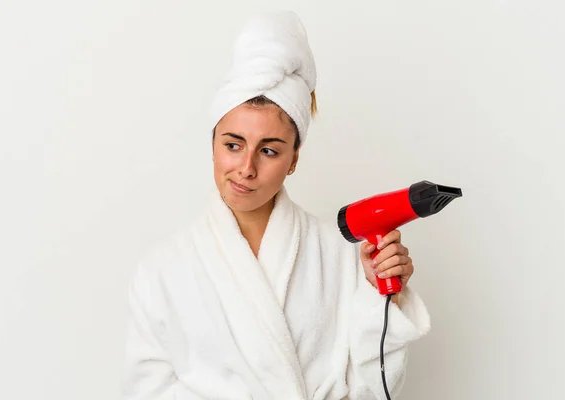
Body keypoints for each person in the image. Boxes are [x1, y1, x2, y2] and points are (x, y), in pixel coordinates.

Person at [122, 11, 430, 400]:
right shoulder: (161, 269)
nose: (246, 169)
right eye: (233, 145)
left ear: (294, 159)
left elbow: (377, 387)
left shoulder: (344, 254)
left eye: (269, 150)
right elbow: (146, 391)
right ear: (213, 144)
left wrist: (381, 295)